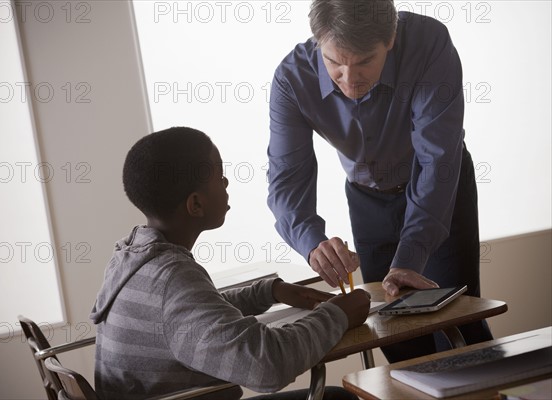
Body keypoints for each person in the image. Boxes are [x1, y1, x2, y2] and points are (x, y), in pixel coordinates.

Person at [267, 0, 493, 363]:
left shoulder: (429, 43)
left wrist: (411, 254)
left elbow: (436, 159)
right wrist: (312, 243)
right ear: (318, 41)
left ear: (390, 38)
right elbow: (286, 179)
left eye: (363, 62)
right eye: (334, 63)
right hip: (366, 199)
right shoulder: (292, 78)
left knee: (457, 320)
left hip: (440, 187)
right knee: (393, 329)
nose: (349, 79)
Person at [90, 127, 367, 400]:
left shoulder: (132, 256)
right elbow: (265, 366)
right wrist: (338, 314)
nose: (226, 183)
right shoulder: (172, 278)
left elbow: (193, 313)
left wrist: (268, 291)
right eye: (220, 176)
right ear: (195, 204)